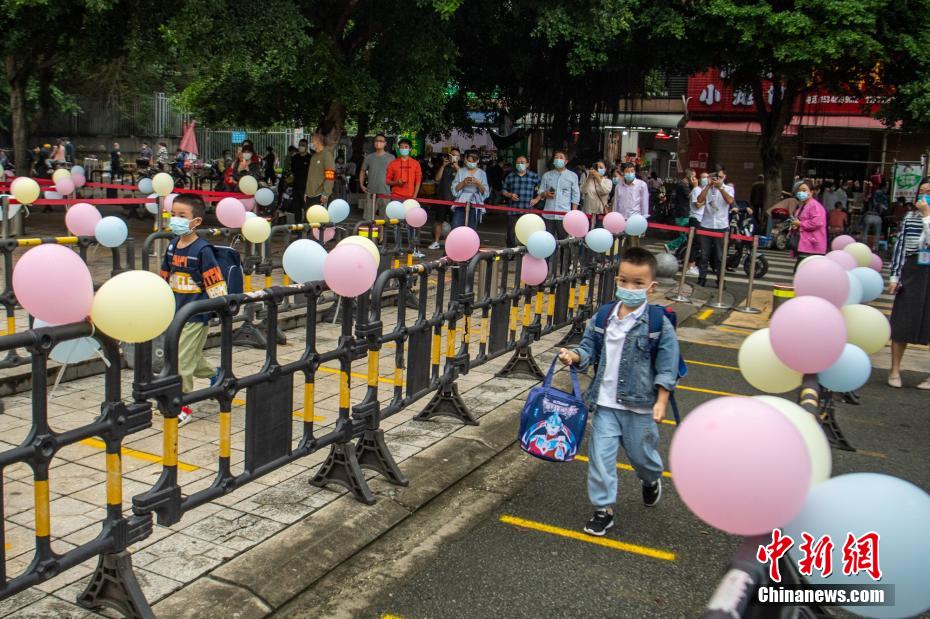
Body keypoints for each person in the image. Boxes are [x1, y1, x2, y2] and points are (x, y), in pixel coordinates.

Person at [557, 247, 680, 536]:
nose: (630, 288)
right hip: (604, 403)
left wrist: (661, 400)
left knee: (643, 457)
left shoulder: (657, 323)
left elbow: (667, 364)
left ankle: (650, 480)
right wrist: (574, 356)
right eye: (624, 280)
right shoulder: (604, 317)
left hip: (640, 407)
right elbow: (588, 347)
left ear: (651, 287)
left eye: (638, 283)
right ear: (617, 279)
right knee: (600, 457)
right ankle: (603, 510)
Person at [159, 194, 226, 427]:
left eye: (182, 216)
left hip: (196, 315)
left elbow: (215, 282)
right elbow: (164, 275)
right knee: (189, 357)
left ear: (196, 221)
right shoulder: (171, 246)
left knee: (181, 359)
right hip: (176, 312)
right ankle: (216, 375)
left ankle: (182, 403)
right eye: (173, 215)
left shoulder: (202, 250)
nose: (175, 219)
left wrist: (220, 307)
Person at [888, 180, 930, 389]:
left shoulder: (924, 216)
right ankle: (895, 370)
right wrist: (895, 277)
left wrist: (927, 217)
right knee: (902, 320)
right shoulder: (909, 216)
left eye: (929, 192)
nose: (923, 196)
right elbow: (900, 247)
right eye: (921, 192)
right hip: (912, 269)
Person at [694, 165, 735, 286]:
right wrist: (708, 185)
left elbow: (730, 201)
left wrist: (720, 188)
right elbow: (699, 200)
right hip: (706, 224)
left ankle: (720, 279)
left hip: (721, 226)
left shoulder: (728, 188)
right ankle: (702, 278)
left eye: (721, 177)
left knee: (720, 256)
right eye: (716, 177)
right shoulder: (707, 188)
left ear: (724, 177)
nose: (718, 179)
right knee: (704, 255)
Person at [501, 154, 541, 247]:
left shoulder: (534, 176)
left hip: (527, 209)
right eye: (518, 162)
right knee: (511, 233)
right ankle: (510, 253)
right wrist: (510, 195)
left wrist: (536, 199)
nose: (520, 164)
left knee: (527, 232)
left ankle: (525, 252)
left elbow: (542, 190)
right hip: (513, 209)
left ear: (527, 164)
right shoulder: (510, 176)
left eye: (522, 162)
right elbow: (503, 190)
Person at [539, 151, 580, 239]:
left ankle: (563, 253)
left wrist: (573, 213)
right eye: (556, 157)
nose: (558, 159)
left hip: (564, 215)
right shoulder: (546, 175)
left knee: (564, 241)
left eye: (561, 158)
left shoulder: (573, 176)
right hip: (548, 214)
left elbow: (576, 195)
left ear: (566, 161)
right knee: (548, 240)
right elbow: (540, 191)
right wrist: (545, 194)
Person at [789, 179, 827, 270]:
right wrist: (795, 225)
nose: (801, 193)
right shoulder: (803, 206)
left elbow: (817, 222)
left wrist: (800, 223)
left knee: (801, 272)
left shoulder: (815, 206)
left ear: (812, 192)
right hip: (804, 244)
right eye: (800, 190)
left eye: (804, 190)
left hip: (811, 245)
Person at [428, 147, 461, 249]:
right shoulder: (444, 167)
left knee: (455, 223)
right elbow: (437, 179)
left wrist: (456, 166)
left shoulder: (462, 169)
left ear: (459, 157)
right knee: (439, 221)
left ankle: (453, 244)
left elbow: (463, 178)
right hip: (442, 198)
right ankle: (436, 242)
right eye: (452, 155)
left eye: (456, 155)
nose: (454, 157)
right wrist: (443, 165)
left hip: (455, 200)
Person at [450, 150, 489, 229]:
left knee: (471, 228)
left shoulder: (482, 173)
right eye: (469, 160)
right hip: (461, 201)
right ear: (466, 160)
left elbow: (485, 193)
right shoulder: (460, 171)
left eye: (473, 161)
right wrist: (463, 183)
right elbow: (454, 189)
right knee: (456, 225)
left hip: (475, 202)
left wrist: (478, 183)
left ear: (478, 161)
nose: (471, 163)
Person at [360, 133, 395, 220]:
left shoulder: (391, 157)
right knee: (369, 217)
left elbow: (396, 173)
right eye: (376, 141)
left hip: (386, 192)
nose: (378, 143)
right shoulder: (369, 157)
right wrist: (361, 184)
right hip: (371, 191)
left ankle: (382, 234)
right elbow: (362, 171)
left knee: (384, 218)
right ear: (374, 143)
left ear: (385, 143)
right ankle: (371, 233)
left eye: (381, 141)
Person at [664, 169, 695, 254]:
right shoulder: (683, 185)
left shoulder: (684, 184)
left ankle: (676, 249)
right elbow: (689, 196)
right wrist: (695, 187)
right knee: (685, 235)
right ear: (689, 176)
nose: (695, 179)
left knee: (685, 235)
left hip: (682, 212)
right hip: (682, 213)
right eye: (694, 176)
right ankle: (671, 246)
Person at [385, 137, 422, 201]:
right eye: (401, 147)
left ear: (410, 149)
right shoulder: (393, 163)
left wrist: (414, 197)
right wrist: (396, 182)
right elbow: (387, 181)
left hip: (411, 197)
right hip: (395, 197)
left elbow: (418, 181)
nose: (403, 149)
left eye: (406, 147)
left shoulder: (416, 164)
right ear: (399, 149)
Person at [305, 132, 336, 207]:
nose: (311, 143)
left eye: (312, 141)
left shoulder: (327, 156)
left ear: (318, 141)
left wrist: (326, 194)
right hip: (309, 195)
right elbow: (310, 176)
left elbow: (330, 176)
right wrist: (306, 192)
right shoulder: (313, 157)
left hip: (320, 195)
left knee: (318, 218)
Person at [290, 138, 312, 212]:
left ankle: (307, 221)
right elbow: (292, 171)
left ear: (306, 147)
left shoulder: (310, 158)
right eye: (300, 145)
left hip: (306, 187)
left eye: (303, 145)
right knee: (296, 206)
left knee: (307, 207)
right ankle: (297, 222)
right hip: (296, 186)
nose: (301, 147)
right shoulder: (295, 158)